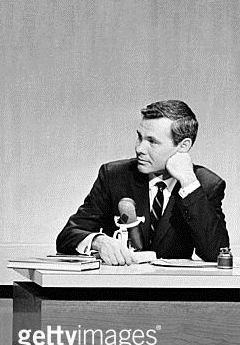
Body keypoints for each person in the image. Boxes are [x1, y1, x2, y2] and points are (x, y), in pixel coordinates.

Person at [56, 100, 229, 265]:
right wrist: (98, 241)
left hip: (172, 285)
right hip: (119, 283)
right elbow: (67, 236)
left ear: (183, 146)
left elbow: (216, 253)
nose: (139, 148)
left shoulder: (206, 185)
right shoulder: (114, 176)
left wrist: (189, 183)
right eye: (140, 137)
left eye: (152, 141)